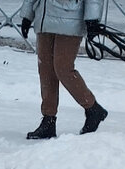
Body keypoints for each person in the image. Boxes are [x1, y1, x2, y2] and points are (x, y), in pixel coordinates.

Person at [18, 0, 108, 139]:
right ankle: (48, 120)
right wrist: (27, 15)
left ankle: (92, 108)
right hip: (43, 17)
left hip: (71, 18)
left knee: (63, 68)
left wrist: (92, 19)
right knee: (46, 69)